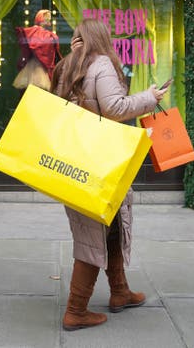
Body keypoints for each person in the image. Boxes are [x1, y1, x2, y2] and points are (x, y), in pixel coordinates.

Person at [50, 18, 168, 331]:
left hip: (75, 158)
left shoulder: (66, 69)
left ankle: (120, 292)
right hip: (99, 162)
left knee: (111, 227)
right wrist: (150, 98)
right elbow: (114, 108)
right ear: (103, 39)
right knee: (92, 235)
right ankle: (76, 311)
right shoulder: (101, 64)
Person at [13, 9, 61, 91]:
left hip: (36, 65)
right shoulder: (40, 33)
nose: (49, 21)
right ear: (42, 20)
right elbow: (39, 47)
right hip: (38, 66)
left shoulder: (38, 33)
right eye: (47, 19)